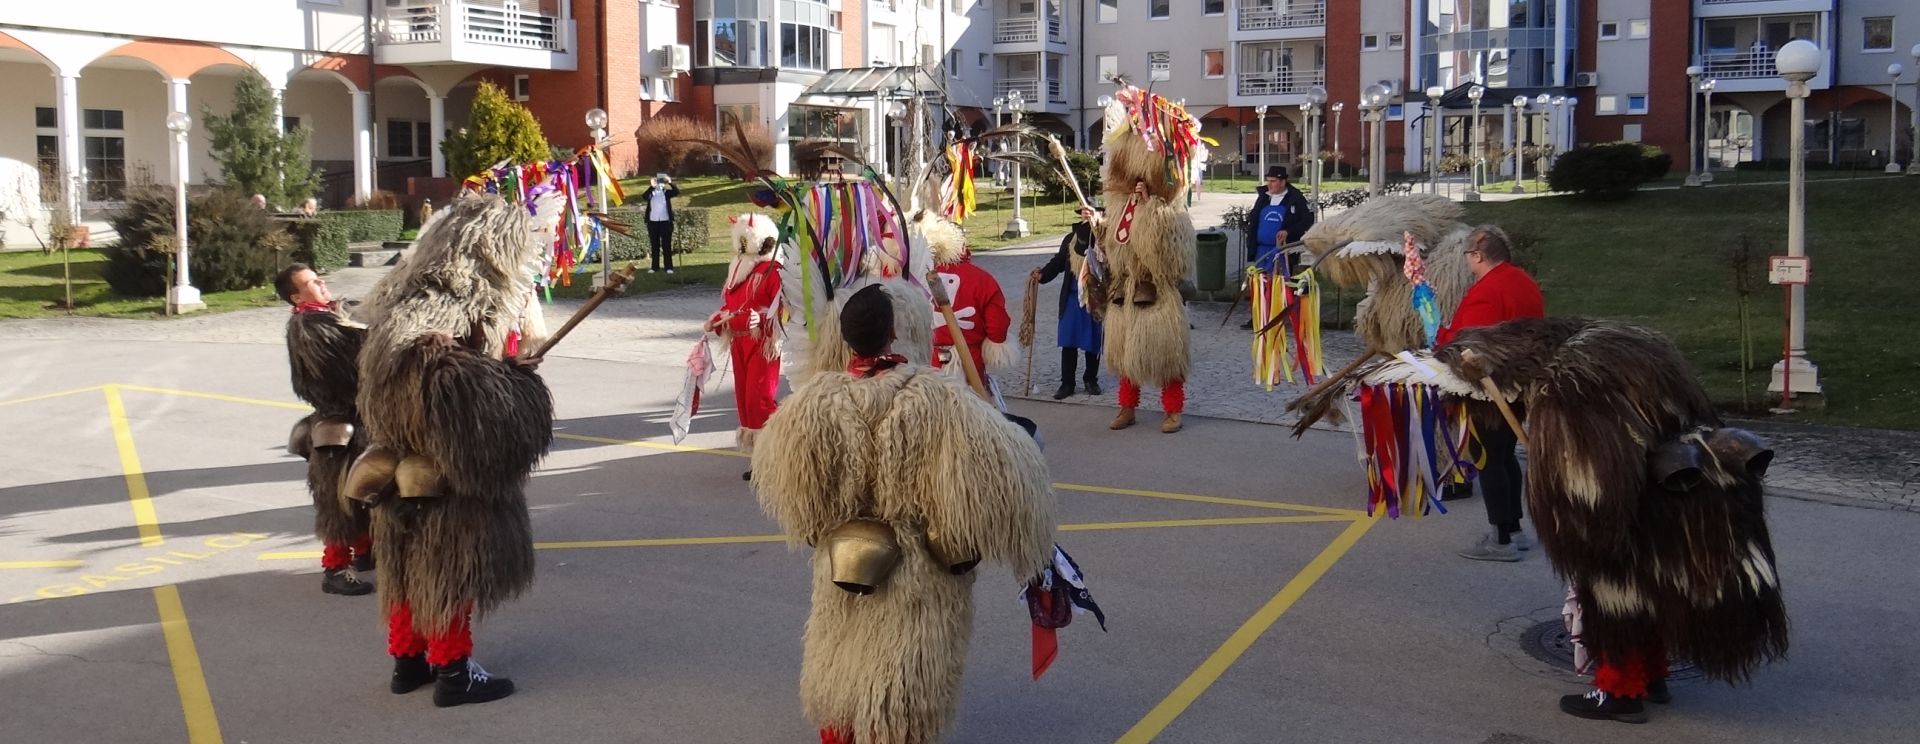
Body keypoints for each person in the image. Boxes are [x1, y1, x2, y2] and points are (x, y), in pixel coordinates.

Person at [751, 284, 1057, 744]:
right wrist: (1017, 436)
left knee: (844, 659)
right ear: (896, 331)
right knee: (902, 684)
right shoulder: (942, 400)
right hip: (920, 573)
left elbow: (790, 492)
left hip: (843, 566)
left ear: (845, 338)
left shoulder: (808, 406)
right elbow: (1011, 477)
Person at [348, 194, 555, 707]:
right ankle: (455, 673)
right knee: (448, 573)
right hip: (443, 477)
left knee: (402, 570)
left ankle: (408, 661)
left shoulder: (398, 314)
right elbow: (474, 415)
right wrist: (519, 383)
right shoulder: (445, 331)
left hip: (394, 468)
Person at [1437, 226, 1544, 562]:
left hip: (1491, 390)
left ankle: (1501, 538)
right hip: (1519, 381)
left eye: (1468, 257)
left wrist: (1440, 336)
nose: (1467, 263)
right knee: (1505, 456)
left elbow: (1469, 341)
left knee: (1487, 459)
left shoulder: (1486, 291)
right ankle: (1513, 528)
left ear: (1478, 255)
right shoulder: (1521, 279)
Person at [274, 263, 374, 597]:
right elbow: (346, 367)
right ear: (296, 296)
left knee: (365, 489)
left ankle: (364, 550)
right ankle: (334, 569)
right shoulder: (310, 327)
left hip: (358, 414)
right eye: (312, 282)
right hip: (338, 418)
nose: (322, 283)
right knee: (339, 498)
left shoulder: (331, 315)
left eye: (319, 278)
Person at [708, 213, 784, 476]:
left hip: (762, 344)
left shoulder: (773, 271)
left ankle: (776, 454)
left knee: (759, 398)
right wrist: (718, 319)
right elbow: (731, 306)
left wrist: (762, 318)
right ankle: (759, 458)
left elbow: (785, 311)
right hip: (739, 343)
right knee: (744, 400)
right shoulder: (737, 269)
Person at [1031, 207, 1104, 399]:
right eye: (1083, 212)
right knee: (1068, 340)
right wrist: (1043, 274)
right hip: (1072, 297)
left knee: (1093, 341)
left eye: (1090, 212)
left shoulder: (1104, 237)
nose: (1085, 215)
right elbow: (1059, 262)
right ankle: (1067, 383)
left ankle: (1091, 379)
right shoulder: (1070, 238)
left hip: (1093, 296)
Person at [1240, 166, 1315, 329]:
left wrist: (1288, 231)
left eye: (1273, 181)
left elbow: (1307, 220)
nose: (1270, 184)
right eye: (1268, 181)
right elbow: (1254, 219)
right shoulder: (1263, 197)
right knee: (1260, 283)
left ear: (1283, 181)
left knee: (1278, 283)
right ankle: (1258, 318)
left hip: (1282, 251)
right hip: (1261, 249)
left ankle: (1276, 317)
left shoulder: (1295, 198)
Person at [638, 173, 681, 273]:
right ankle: (654, 267)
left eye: (661, 183)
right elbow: (644, 196)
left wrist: (670, 182)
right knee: (654, 245)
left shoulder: (666, 193)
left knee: (666, 245)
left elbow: (677, 192)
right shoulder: (651, 194)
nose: (659, 185)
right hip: (653, 222)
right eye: (658, 183)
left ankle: (669, 267)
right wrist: (651, 186)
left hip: (665, 222)